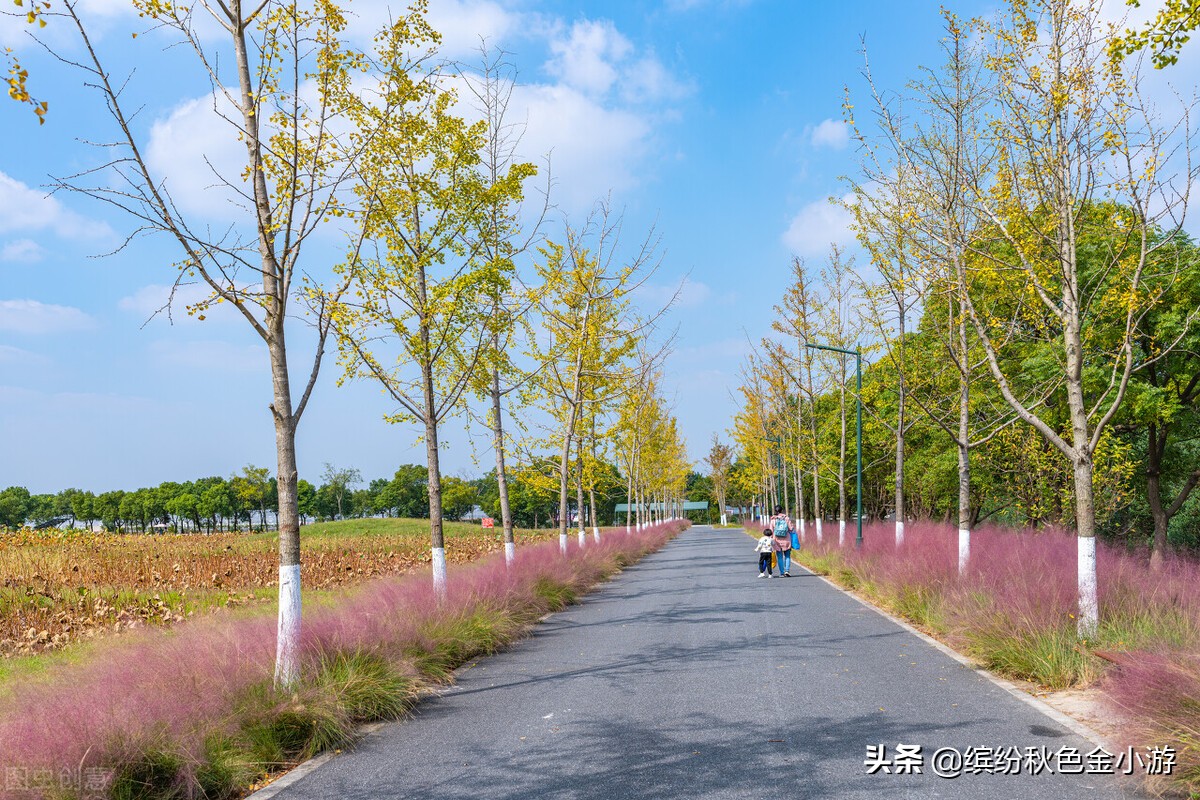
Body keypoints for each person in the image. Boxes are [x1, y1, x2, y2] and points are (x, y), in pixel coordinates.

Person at [770, 505, 792, 577]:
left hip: (777, 541)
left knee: (779, 557)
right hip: (787, 540)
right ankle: (787, 571)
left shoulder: (773, 520)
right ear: (782, 510)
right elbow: (791, 528)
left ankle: (782, 573)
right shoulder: (786, 518)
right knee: (787, 556)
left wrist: (771, 540)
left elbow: (771, 531)